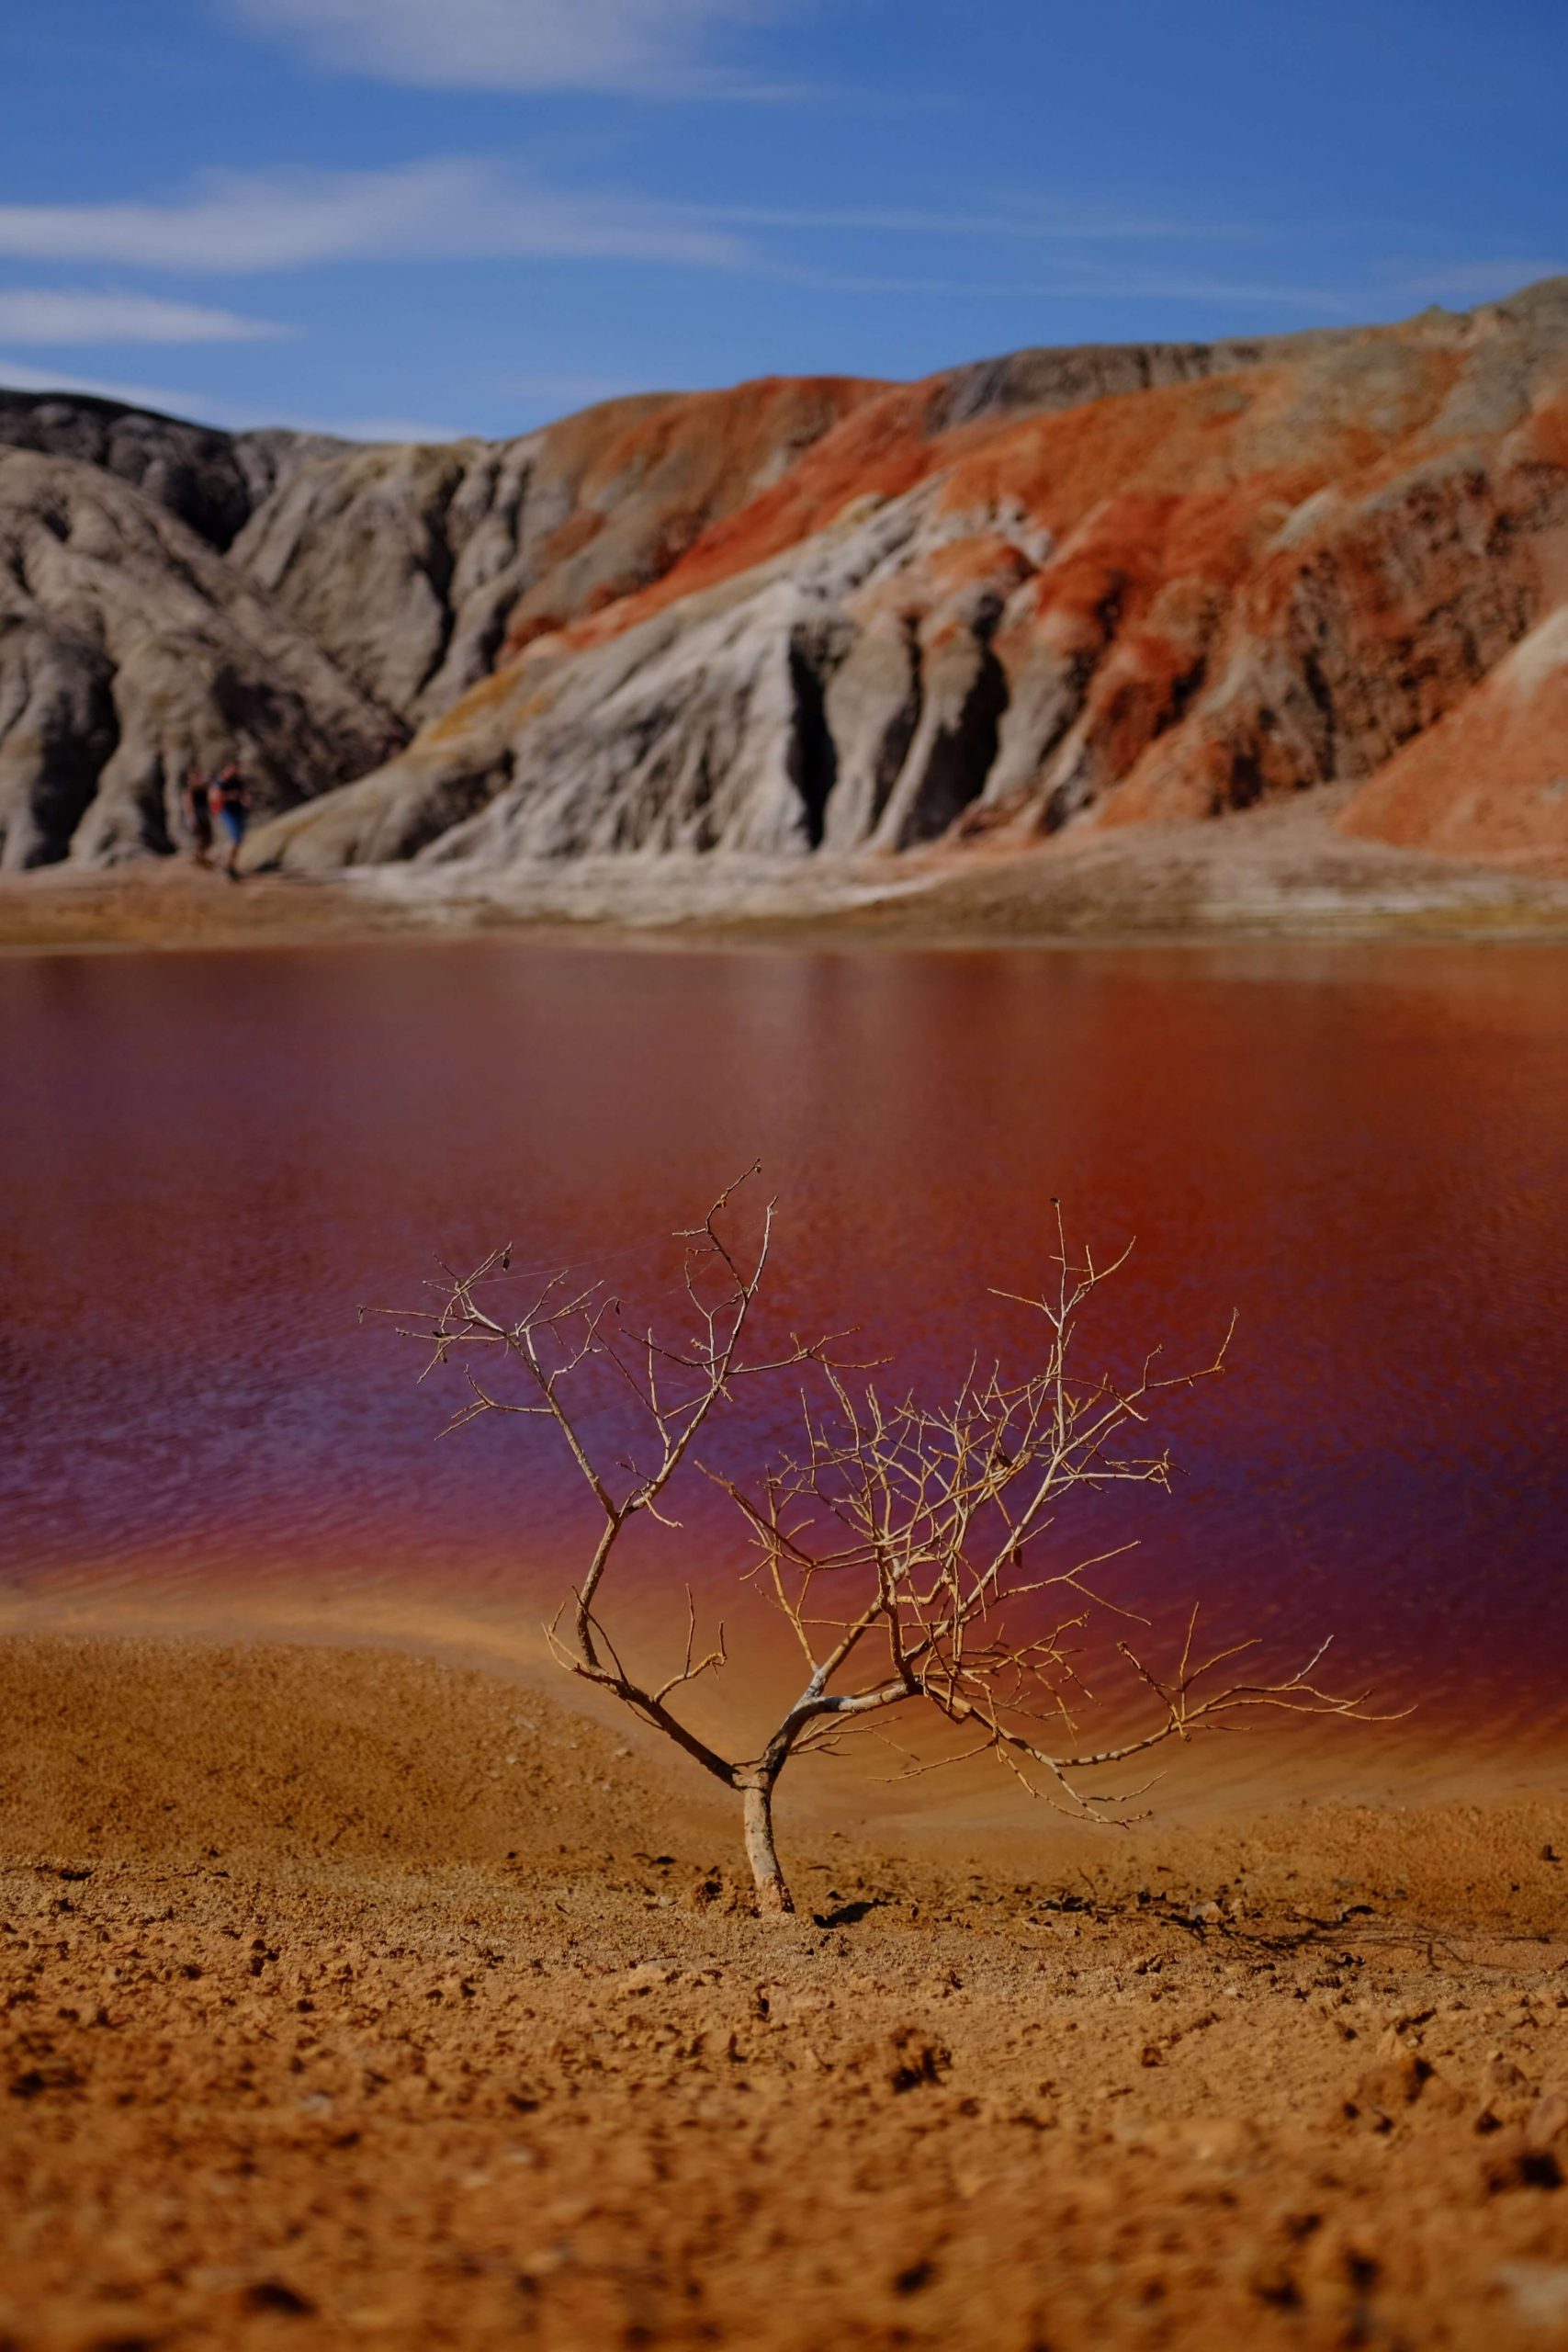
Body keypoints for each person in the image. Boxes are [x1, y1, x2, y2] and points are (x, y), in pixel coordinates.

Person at [209, 761, 251, 878]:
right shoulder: (221, 782)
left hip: (238, 810)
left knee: (238, 839)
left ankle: (230, 864)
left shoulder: (238, 781)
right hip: (227, 812)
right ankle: (228, 864)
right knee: (235, 838)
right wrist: (230, 796)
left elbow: (243, 794)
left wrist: (245, 800)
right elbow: (215, 797)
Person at [182, 766, 213, 865]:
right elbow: (188, 805)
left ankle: (201, 857)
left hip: (203, 814)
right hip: (196, 815)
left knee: (207, 838)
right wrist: (192, 817)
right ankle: (197, 857)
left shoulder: (203, 788)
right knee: (199, 838)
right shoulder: (189, 791)